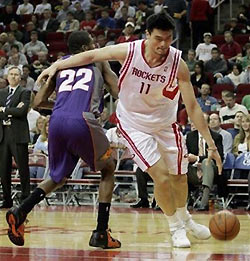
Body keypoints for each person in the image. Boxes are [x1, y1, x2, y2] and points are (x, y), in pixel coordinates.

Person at [37, 11, 222, 248]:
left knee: (179, 176)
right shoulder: (129, 51)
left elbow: (193, 107)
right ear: (147, 35)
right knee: (161, 177)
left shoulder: (178, 63)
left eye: (168, 39)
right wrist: (57, 65)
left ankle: (185, 219)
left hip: (166, 125)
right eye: (158, 38)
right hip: (134, 125)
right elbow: (92, 54)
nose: (163, 44)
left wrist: (211, 143)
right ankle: (175, 228)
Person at [6, 31, 121, 249]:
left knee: (58, 176)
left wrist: (62, 106)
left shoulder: (59, 64)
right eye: (93, 43)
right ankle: (101, 232)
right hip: (83, 121)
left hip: (56, 122)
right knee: (108, 168)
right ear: (87, 48)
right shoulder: (97, 59)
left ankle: (21, 210)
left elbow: (38, 101)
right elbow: (117, 91)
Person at [0, 66, 31, 208]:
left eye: (16, 75)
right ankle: (7, 199)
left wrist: (4, 110)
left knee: (23, 168)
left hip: (18, 135)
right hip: (3, 134)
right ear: (7, 77)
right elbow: (16, 110)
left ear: (20, 77)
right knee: (3, 170)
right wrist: (13, 110)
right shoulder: (1, 93)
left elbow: (22, 111)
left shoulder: (25, 92)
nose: (13, 77)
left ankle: (26, 199)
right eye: (11, 74)